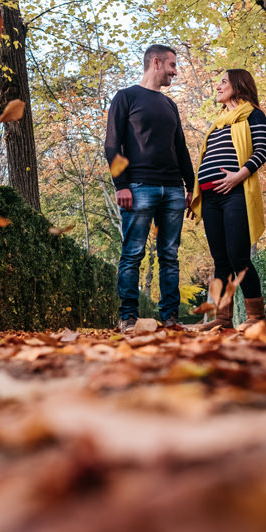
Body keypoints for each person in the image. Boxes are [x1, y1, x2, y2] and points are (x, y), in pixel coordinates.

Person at [105, 45, 196, 333]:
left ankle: (170, 319)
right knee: (132, 253)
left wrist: (191, 187)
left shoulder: (170, 105)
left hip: (173, 190)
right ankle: (128, 318)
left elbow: (180, 148)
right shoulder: (126, 97)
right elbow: (112, 144)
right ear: (155, 62)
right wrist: (121, 184)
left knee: (170, 255)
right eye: (171, 65)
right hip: (138, 187)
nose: (175, 71)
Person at [188, 69, 266, 331]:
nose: (218, 86)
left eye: (223, 82)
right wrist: (195, 193)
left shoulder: (253, 114)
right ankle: (223, 321)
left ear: (238, 84)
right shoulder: (220, 121)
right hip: (210, 196)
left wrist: (238, 176)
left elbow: (262, 151)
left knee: (238, 256)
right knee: (220, 260)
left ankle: (256, 318)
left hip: (235, 193)